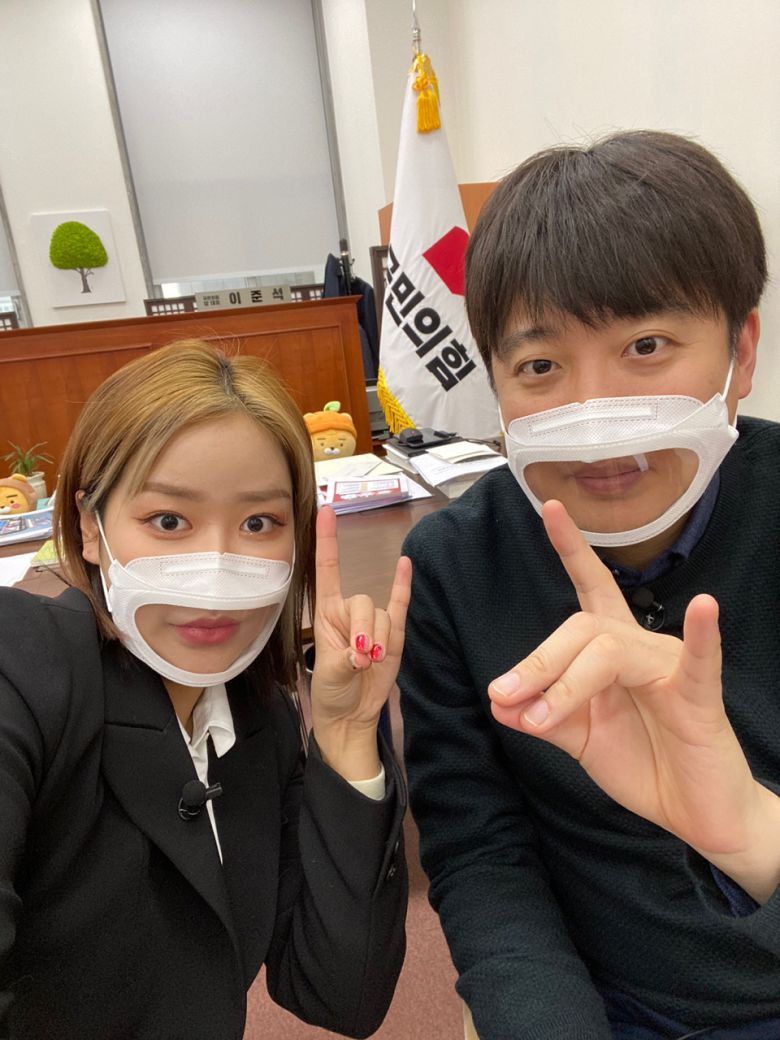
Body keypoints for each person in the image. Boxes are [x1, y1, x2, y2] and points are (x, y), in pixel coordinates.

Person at [399, 130, 780, 1039]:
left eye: (647, 345)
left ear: (741, 351)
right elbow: (482, 855)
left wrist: (748, 828)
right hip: (605, 1003)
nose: (596, 417)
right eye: (541, 366)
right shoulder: (452, 566)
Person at [0, 339, 410, 1039]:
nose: (216, 568)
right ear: (91, 530)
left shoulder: (259, 717)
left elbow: (338, 994)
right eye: (168, 521)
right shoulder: (24, 663)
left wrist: (344, 737)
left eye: (259, 523)